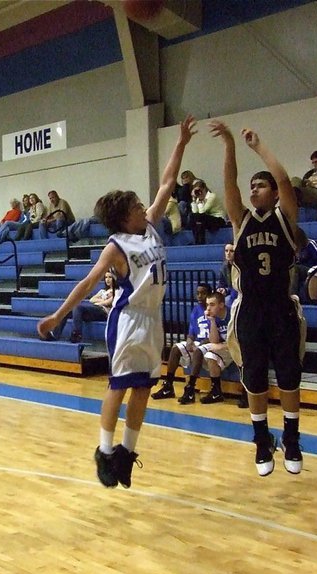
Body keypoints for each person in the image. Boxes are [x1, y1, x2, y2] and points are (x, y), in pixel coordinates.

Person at [37, 115, 197, 489]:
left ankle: (126, 452)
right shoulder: (116, 246)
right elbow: (88, 282)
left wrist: (181, 143)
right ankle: (104, 452)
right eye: (138, 206)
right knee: (119, 385)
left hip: (153, 319)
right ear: (125, 218)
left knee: (143, 388)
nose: (145, 207)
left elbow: (168, 183)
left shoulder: (153, 225)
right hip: (128, 320)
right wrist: (58, 316)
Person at [210, 120, 306, 477]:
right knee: (254, 378)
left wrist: (258, 146)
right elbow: (229, 184)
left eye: (259, 185)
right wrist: (230, 145)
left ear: (272, 193)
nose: (253, 189)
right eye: (252, 185)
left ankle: (292, 439)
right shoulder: (241, 220)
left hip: (281, 308)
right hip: (251, 310)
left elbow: (283, 179)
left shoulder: (286, 219)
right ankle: (262, 440)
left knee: (290, 378)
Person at [150, 281, 212, 402]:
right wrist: (189, 341)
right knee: (175, 348)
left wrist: (204, 342)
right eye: (197, 293)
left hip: (210, 343)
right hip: (198, 343)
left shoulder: (213, 308)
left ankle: (190, 389)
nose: (199, 296)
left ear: (209, 294)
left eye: (203, 293)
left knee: (198, 350)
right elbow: (192, 332)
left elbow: (219, 333)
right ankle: (168, 386)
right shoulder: (196, 310)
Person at [50, 271, 116, 343]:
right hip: (94, 311)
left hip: (104, 312)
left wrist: (99, 302)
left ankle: (77, 334)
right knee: (68, 310)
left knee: (78, 307)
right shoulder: (102, 291)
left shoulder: (116, 291)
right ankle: (55, 334)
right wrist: (103, 300)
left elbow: (108, 302)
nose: (108, 279)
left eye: (110, 277)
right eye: (106, 277)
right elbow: (92, 300)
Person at [199, 292, 234, 405]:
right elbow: (214, 341)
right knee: (210, 355)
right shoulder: (214, 318)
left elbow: (239, 340)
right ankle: (216, 391)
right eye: (207, 305)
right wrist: (212, 321)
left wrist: (222, 346)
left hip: (240, 346)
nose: (208, 308)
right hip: (228, 347)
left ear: (221, 305)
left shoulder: (232, 315)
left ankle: (246, 392)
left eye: (212, 304)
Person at [189, 179, 226, 244]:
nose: (199, 192)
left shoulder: (212, 196)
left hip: (218, 220)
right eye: (196, 191)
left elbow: (204, 211)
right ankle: (197, 241)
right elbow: (195, 213)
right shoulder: (198, 199)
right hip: (205, 220)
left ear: (204, 189)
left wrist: (200, 201)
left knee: (200, 217)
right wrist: (194, 200)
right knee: (192, 216)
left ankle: (200, 242)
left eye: (199, 190)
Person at [292, 227, 317, 299]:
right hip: (299, 270)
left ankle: (293, 296)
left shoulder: (310, 244)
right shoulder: (292, 247)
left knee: (295, 268)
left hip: (312, 269)